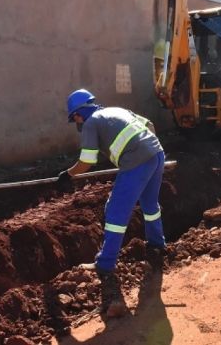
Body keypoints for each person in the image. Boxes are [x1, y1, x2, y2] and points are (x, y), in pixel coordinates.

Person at [58, 88, 167, 313]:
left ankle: (105, 264)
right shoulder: (115, 110)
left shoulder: (90, 123)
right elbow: (149, 126)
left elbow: (87, 160)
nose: (76, 122)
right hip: (156, 153)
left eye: (75, 117)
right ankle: (157, 245)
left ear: (80, 113)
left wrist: (68, 175)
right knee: (150, 206)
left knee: (116, 212)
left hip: (137, 161)